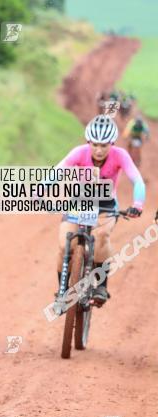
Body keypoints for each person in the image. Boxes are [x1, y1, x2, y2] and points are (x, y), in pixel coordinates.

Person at [54, 115, 146, 305]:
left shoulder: (120, 155)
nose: (99, 149)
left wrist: (137, 204)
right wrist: (39, 192)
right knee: (65, 246)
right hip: (79, 201)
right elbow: (57, 171)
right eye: (95, 144)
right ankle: (62, 290)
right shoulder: (79, 153)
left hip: (106, 205)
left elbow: (137, 179)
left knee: (102, 236)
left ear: (111, 143)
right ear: (89, 142)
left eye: (104, 145)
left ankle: (101, 286)